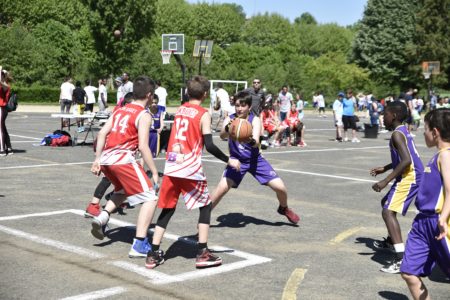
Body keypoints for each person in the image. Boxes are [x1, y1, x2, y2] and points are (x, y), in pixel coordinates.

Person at [145, 75, 240, 269]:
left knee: (168, 209)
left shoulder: (180, 110)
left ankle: (153, 253)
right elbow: (210, 145)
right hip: (189, 167)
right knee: (205, 206)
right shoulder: (202, 113)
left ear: (187, 92)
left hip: (172, 166)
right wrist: (228, 160)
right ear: (205, 94)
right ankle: (203, 252)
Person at [89, 76, 160, 259]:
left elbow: (103, 132)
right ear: (150, 95)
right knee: (151, 198)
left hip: (107, 159)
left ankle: (103, 216)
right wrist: (153, 171)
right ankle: (139, 243)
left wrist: (97, 159)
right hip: (123, 159)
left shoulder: (120, 110)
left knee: (122, 190)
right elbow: (144, 147)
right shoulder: (143, 115)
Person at [210, 91, 300, 225]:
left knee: (281, 188)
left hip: (255, 160)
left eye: (243, 106)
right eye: (237, 105)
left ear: (249, 107)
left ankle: (283, 208)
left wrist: (248, 138)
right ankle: (204, 216)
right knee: (221, 189)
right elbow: (222, 136)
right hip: (236, 161)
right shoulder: (231, 119)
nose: (239, 108)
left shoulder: (255, 120)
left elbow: (257, 142)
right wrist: (229, 128)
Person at [400, 108, 450, 299]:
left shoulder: (446, 155)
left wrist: (444, 218)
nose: (423, 132)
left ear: (435, 132)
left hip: (439, 222)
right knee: (409, 272)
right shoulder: (438, 155)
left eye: (426, 128)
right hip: (423, 223)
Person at [370, 101, 424, 274]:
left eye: (385, 114)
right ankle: (392, 241)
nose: (382, 117)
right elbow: (403, 157)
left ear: (393, 115)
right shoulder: (402, 130)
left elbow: (407, 160)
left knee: (387, 212)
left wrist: (385, 180)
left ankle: (400, 260)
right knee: (387, 202)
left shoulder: (396, 135)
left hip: (410, 176)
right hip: (412, 174)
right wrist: (385, 168)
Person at [85, 92, 135, 218]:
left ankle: (113, 197)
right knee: (108, 178)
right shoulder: (122, 113)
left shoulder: (122, 112)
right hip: (109, 149)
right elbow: (105, 133)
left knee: (117, 179)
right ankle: (93, 204)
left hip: (111, 149)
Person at [0, 68, 12, 156]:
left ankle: (2, 150)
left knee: (0, 128)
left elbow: (2, 84)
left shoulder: (6, 85)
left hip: (2, 108)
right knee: (3, 128)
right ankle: (9, 147)